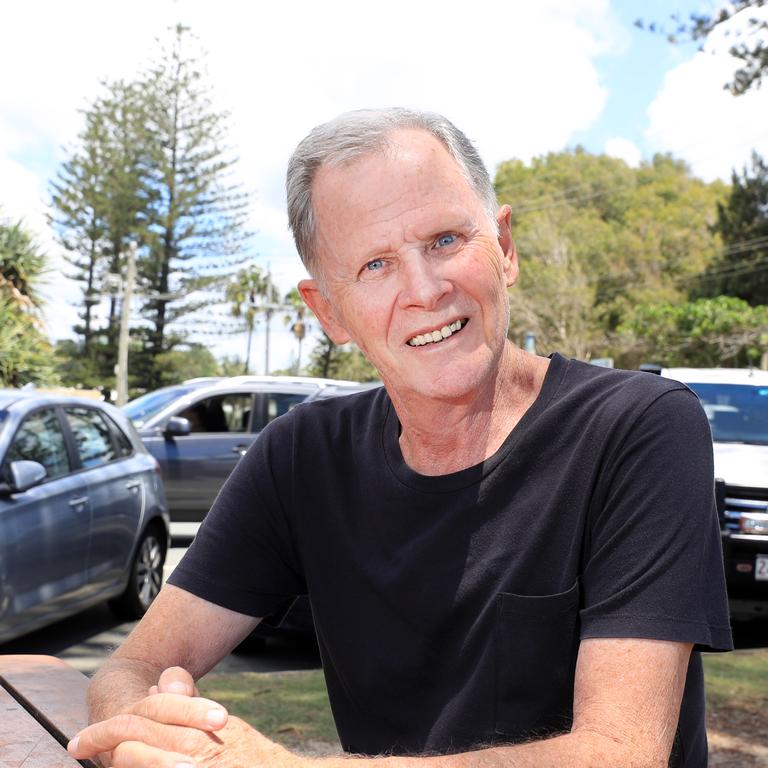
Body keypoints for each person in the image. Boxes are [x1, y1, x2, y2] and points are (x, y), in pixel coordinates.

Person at [69, 108, 732, 768]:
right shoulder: (301, 457)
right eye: (376, 265)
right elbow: (134, 664)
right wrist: (148, 725)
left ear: (503, 248)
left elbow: (621, 754)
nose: (424, 289)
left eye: (446, 239)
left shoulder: (639, 427)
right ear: (328, 310)